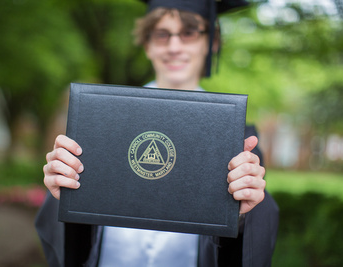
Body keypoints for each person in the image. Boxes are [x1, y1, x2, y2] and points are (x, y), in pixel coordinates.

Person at [35, 0, 279, 266]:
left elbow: (252, 242)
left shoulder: (237, 139)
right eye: (162, 35)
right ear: (147, 44)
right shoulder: (103, 121)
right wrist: (64, 191)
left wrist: (242, 216)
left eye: (189, 33)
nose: (174, 47)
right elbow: (70, 237)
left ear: (212, 42)